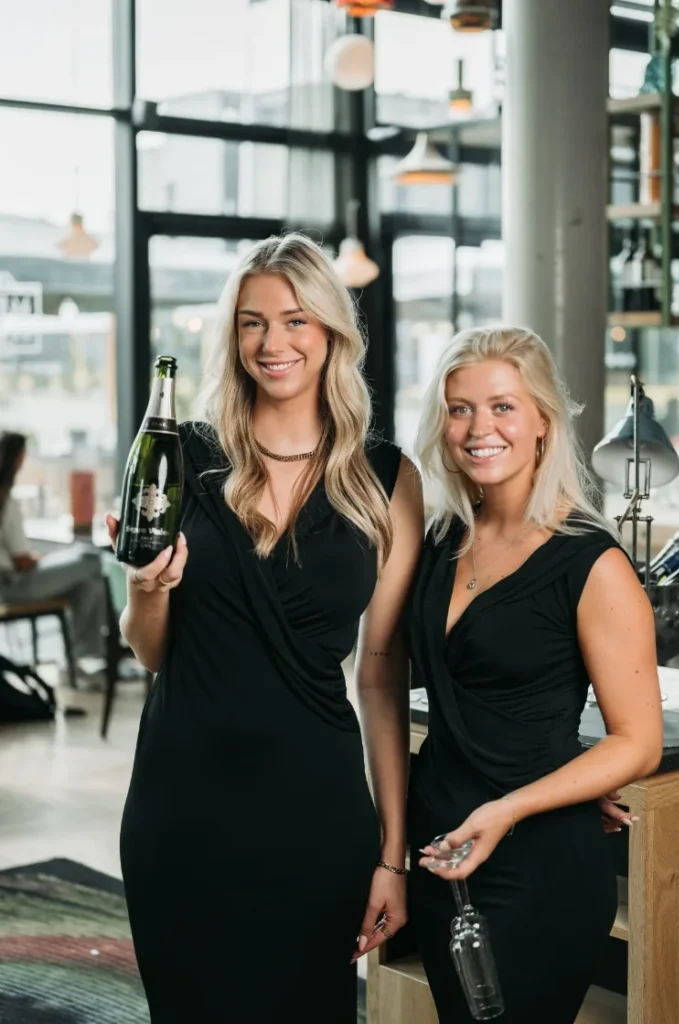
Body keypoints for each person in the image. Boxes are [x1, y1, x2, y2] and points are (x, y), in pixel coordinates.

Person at [106, 233, 423, 1023]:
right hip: (182, 807)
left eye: (294, 320)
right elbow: (149, 648)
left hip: (313, 814)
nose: (272, 343)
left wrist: (393, 855)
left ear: (331, 332)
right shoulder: (183, 455)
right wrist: (146, 587)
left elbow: (381, 672)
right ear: (231, 334)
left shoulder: (387, 478)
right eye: (251, 323)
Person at [408, 326, 663, 1024]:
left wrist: (513, 806)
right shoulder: (440, 540)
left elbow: (638, 742)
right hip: (440, 853)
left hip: (537, 865)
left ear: (543, 420)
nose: (478, 428)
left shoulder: (590, 562)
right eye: (459, 408)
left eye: (502, 407)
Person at [0, 431, 105, 663]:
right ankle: (94, 656)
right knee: (92, 559)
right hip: (12, 586)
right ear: (15, 458)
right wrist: (40, 559)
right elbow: (22, 562)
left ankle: (86, 663)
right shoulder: (6, 501)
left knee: (92, 585)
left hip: (11, 582)